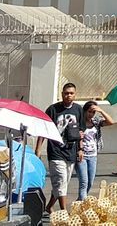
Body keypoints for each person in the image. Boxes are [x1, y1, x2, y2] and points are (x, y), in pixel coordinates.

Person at [38, 82, 83, 212]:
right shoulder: (53, 109)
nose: (68, 95)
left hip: (71, 152)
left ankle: (49, 206)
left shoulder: (78, 110)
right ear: (62, 94)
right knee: (61, 181)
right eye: (66, 93)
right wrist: (38, 149)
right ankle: (64, 211)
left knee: (62, 183)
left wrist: (80, 149)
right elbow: (43, 130)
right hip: (56, 151)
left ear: (75, 95)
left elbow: (81, 131)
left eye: (71, 93)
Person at [76, 100, 114, 201]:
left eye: (93, 112)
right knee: (84, 182)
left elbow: (111, 122)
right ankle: (84, 204)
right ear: (84, 111)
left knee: (90, 182)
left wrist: (101, 111)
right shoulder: (79, 122)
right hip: (81, 155)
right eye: (89, 111)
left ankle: (79, 202)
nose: (91, 114)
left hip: (93, 155)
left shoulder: (95, 121)